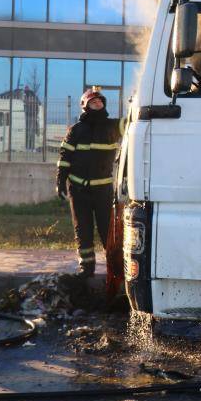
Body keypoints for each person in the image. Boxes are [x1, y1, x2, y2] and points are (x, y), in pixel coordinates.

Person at [56, 87, 122, 277]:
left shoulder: (113, 126)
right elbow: (65, 157)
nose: (98, 104)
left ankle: (115, 269)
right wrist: (60, 180)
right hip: (78, 190)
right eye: (94, 102)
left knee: (107, 231)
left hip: (103, 191)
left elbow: (134, 124)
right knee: (83, 231)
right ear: (85, 106)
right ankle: (87, 269)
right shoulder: (76, 130)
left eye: (100, 102)